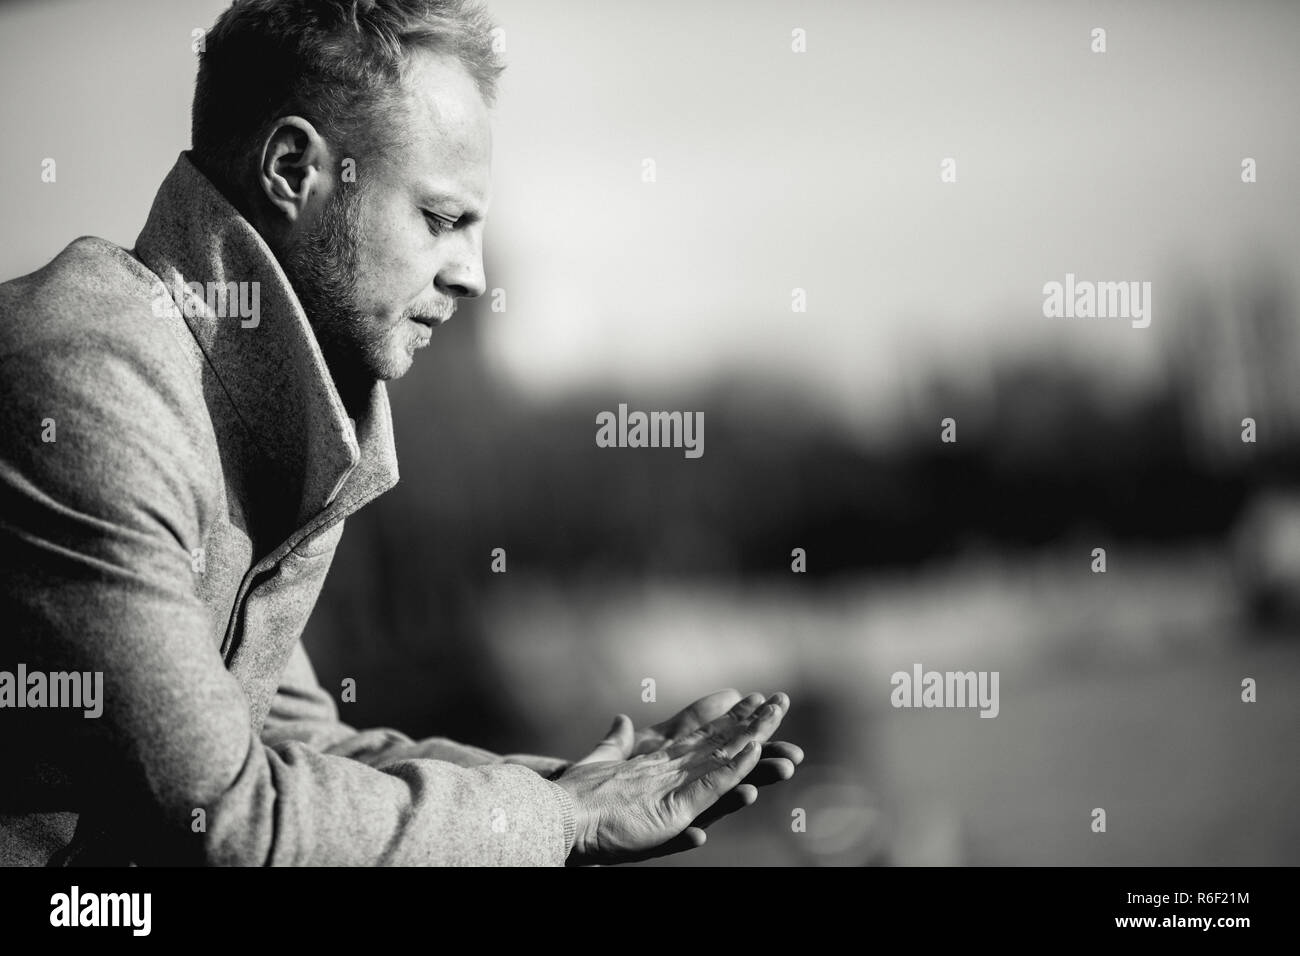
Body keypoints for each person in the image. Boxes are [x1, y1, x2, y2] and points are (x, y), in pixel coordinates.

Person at [0, 0, 801, 866]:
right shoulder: (91, 388)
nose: (474, 276)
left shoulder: (265, 399)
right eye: (442, 218)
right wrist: (554, 822)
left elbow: (293, 746)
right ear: (293, 168)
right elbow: (226, 818)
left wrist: (560, 789)